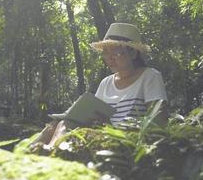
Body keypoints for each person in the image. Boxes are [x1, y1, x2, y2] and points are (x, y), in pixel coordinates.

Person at [32, 23, 168, 148]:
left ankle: (48, 153)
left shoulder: (150, 76)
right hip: (101, 136)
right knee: (56, 124)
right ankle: (29, 154)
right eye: (105, 53)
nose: (110, 58)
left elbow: (158, 123)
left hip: (127, 142)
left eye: (115, 53)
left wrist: (112, 129)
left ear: (133, 53)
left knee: (66, 124)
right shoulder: (106, 82)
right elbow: (92, 115)